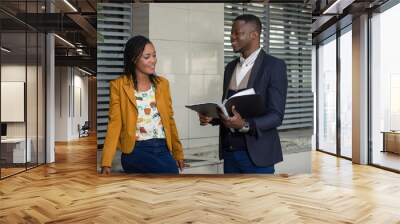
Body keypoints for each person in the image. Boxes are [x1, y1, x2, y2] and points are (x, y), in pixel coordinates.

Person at [198, 14, 288, 174]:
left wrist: (245, 125)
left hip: (257, 156)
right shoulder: (230, 67)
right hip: (230, 153)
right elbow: (229, 108)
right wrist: (213, 117)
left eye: (237, 33)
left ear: (254, 35)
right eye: (231, 33)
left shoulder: (274, 66)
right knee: (232, 199)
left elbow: (276, 116)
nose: (232, 37)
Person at [101, 35, 184, 174]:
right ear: (134, 59)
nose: (153, 61)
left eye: (154, 55)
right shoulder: (118, 86)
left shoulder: (162, 84)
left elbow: (169, 120)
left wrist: (178, 152)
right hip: (136, 150)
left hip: (163, 148)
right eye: (147, 57)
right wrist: (106, 163)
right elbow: (114, 124)